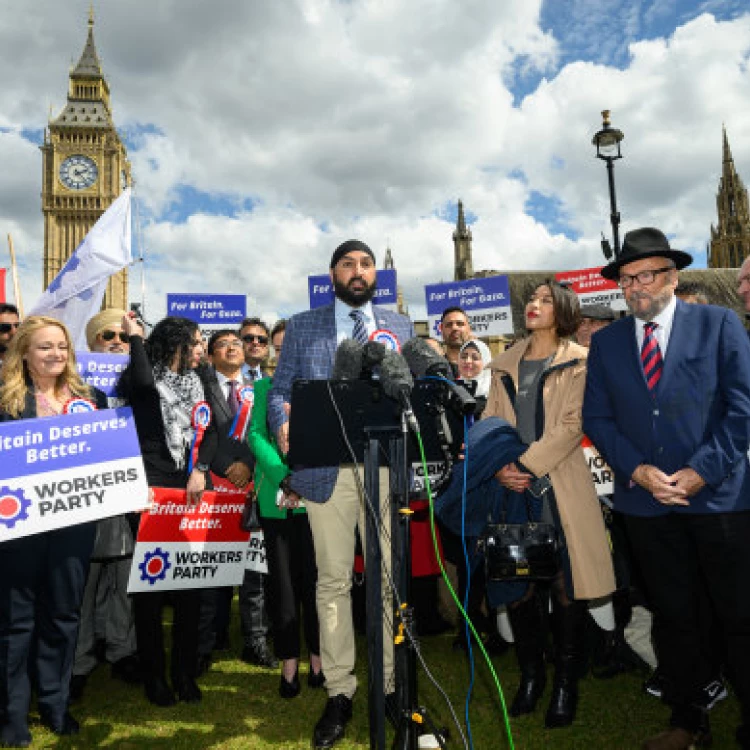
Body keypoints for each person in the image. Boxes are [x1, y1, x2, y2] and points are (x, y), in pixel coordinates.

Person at [583, 227, 750, 750]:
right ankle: (687, 719)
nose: (635, 286)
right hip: (646, 504)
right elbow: (599, 418)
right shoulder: (608, 342)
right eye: (627, 278)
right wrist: (637, 471)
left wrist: (702, 470)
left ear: (673, 276)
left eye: (646, 274)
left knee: (739, 613)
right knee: (673, 616)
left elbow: (742, 408)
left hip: (719, 499)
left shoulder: (719, 324)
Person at [268, 239, 414, 749]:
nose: (358, 271)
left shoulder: (396, 326)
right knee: (331, 581)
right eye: (348, 264)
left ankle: (391, 686)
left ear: (376, 274)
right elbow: (282, 389)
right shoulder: (304, 324)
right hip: (326, 471)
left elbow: (409, 389)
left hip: (383, 468)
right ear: (332, 273)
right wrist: (284, 423)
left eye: (366, 264)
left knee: (387, 581)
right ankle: (340, 691)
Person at [483, 280, 615, 728]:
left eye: (543, 301)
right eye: (531, 300)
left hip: (560, 487)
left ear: (562, 310)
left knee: (564, 585)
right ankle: (531, 677)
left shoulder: (580, 360)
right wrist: (500, 466)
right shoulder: (503, 363)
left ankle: (565, 684)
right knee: (519, 585)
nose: (533, 306)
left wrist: (524, 463)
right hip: (511, 488)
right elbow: (490, 424)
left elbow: (572, 424)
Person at [0, 315, 108, 746]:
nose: (55, 354)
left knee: (63, 616)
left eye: (61, 346)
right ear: (24, 352)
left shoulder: (90, 397)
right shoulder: (5, 400)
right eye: (45, 346)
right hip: (19, 527)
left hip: (73, 526)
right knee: (16, 621)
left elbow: (108, 458)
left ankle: (55, 704)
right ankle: (11, 715)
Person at [118, 314, 217, 707]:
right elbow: (143, 384)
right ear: (176, 342)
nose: (200, 350)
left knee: (190, 586)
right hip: (150, 490)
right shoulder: (141, 376)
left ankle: (184, 672)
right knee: (151, 589)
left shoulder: (198, 381)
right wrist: (136, 339)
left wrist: (200, 470)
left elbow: (210, 431)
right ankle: (155, 676)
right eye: (194, 342)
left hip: (188, 489)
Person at [248, 319, 323, 699]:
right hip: (276, 504)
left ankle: (319, 657)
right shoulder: (263, 388)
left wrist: (305, 479)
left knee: (317, 582)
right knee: (283, 585)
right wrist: (283, 476)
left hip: (316, 502)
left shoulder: (319, 390)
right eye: (279, 346)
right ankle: (289, 661)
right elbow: (256, 435)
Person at [70, 310, 142, 702]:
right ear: (93, 342)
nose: (117, 342)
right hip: (85, 497)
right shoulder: (74, 388)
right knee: (84, 584)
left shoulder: (141, 381)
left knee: (124, 577)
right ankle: (80, 660)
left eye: (123, 337)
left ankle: (121, 650)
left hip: (131, 494)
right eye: (108, 336)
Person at [197, 328, 274, 670]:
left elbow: (267, 432)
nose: (231, 348)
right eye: (222, 345)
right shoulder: (199, 386)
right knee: (212, 565)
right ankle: (208, 639)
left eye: (236, 343)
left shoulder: (260, 388)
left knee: (253, 572)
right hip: (213, 486)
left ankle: (254, 640)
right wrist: (228, 466)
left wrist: (251, 467)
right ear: (210, 355)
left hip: (252, 488)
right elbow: (197, 434)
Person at [440, 306, 472, 370]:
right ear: (441, 329)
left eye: (460, 324)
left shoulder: (486, 367)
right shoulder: (435, 370)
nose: (454, 328)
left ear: (469, 328)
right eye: (449, 325)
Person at [240, 317, 270, 381]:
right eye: (249, 338)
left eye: (261, 340)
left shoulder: (271, 383)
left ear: (267, 348)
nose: (255, 342)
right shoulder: (225, 377)